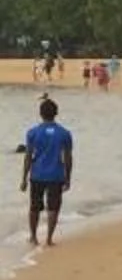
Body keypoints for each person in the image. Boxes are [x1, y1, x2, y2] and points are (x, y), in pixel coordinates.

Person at [17, 96, 72, 248]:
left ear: (40, 114)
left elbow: (28, 156)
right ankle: (49, 238)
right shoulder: (64, 133)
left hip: (37, 174)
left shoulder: (33, 132)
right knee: (53, 207)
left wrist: (23, 178)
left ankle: (33, 237)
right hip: (56, 175)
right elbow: (68, 158)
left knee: (34, 207)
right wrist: (68, 178)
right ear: (56, 113)